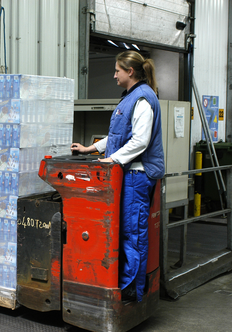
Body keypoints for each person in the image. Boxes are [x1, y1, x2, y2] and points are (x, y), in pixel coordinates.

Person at [71, 50, 164, 302]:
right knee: (124, 232)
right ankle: (126, 283)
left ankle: (132, 289)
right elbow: (117, 137)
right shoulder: (131, 98)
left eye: (117, 71)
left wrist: (112, 159)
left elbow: (140, 141)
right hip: (128, 174)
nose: (114, 75)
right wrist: (89, 149)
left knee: (132, 234)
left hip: (137, 175)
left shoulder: (143, 99)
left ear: (129, 72)